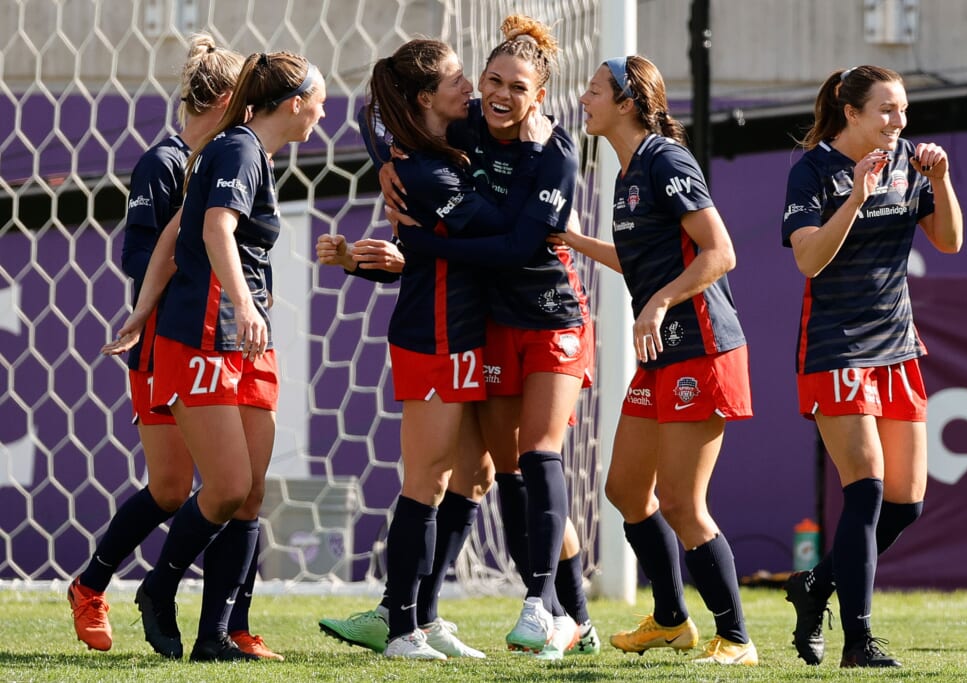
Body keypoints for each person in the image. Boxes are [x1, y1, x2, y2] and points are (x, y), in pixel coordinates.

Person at [319, 15, 596, 661]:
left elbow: (519, 243)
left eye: (511, 85)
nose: (485, 90)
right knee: (453, 476)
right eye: (474, 78)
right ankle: (405, 619)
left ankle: (539, 609)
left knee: (499, 470)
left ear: (540, 94)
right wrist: (391, 162)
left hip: (543, 316)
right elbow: (373, 110)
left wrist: (408, 242)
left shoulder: (544, 150)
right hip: (461, 332)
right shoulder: (445, 152)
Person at [101, 49, 326, 662]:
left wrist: (143, 305)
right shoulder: (239, 149)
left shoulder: (247, 152)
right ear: (295, 102)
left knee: (251, 494)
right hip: (206, 334)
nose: (322, 117)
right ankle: (159, 585)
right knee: (223, 488)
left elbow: (175, 232)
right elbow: (211, 230)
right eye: (320, 103)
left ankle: (215, 637)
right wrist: (243, 304)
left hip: (245, 339)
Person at [69, 33, 278, 661]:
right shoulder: (164, 163)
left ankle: (228, 625)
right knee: (169, 487)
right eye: (243, 98)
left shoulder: (230, 157)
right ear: (221, 99)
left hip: (218, 340)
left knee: (237, 486)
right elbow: (138, 256)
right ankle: (92, 585)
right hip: (167, 342)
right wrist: (189, 232)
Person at [559, 55, 758, 666]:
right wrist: (572, 240)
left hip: (701, 346)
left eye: (593, 90)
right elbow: (639, 259)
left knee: (680, 502)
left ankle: (737, 639)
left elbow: (720, 252)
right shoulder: (629, 172)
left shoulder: (666, 160)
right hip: (663, 353)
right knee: (624, 488)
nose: (583, 99)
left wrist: (660, 304)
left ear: (625, 102)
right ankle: (671, 620)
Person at [780, 65, 962, 669]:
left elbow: (949, 240)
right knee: (867, 489)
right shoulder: (813, 171)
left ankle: (815, 586)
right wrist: (856, 196)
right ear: (851, 112)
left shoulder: (911, 159)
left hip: (897, 348)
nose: (899, 122)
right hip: (836, 346)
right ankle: (858, 643)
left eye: (904, 110)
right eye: (887, 110)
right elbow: (807, 260)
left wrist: (942, 178)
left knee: (906, 503)